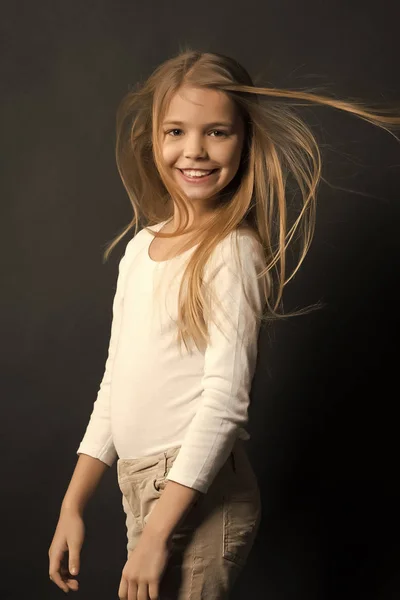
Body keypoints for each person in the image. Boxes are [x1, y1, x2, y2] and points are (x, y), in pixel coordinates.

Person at [48, 48, 399, 599]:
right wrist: (73, 503)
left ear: (244, 140)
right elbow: (115, 384)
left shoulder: (231, 252)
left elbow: (225, 402)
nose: (194, 151)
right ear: (154, 140)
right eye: (176, 132)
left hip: (196, 491)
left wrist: (157, 530)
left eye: (216, 132)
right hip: (140, 484)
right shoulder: (140, 250)